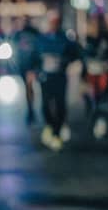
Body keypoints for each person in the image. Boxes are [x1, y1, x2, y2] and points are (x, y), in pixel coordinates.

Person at [35, 11, 82, 150]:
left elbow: (75, 53)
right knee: (45, 104)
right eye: (52, 22)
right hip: (45, 77)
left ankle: (57, 131)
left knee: (60, 104)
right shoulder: (42, 39)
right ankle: (50, 126)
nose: (54, 24)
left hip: (59, 76)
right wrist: (36, 70)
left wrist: (64, 62)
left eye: (56, 22)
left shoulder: (65, 39)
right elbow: (35, 56)